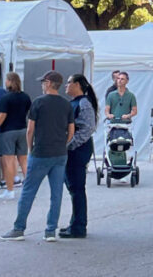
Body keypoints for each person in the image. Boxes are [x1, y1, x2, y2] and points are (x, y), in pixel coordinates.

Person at [1, 71, 75, 242]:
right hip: (60, 153)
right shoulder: (66, 104)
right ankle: (50, 231)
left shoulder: (39, 102)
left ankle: (19, 228)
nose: (42, 84)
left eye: (43, 82)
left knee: (28, 191)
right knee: (56, 194)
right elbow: (71, 130)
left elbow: (30, 129)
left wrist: (31, 147)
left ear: (48, 83)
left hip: (41, 152)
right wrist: (64, 144)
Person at [0, 72, 32, 200]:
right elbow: (29, 112)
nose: (5, 82)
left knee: (9, 161)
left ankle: (10, 190)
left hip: (8, 132)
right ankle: (29, 190)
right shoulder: (25, 97)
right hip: (22, 129)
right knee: (23, 161)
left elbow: (1, 117)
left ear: (11, 81)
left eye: (6, 80)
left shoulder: (6, 98)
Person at [61, 74, 97, 238]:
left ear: (77, 84)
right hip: (72, 150)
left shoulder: (84, 103)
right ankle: (74, 223)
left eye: (69, 83)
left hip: (78, 150)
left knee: (77, 188)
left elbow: (87, 128)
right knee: (73, 188)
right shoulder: (74, 103)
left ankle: (79, 226)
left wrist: (70, 144)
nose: (66, 86)